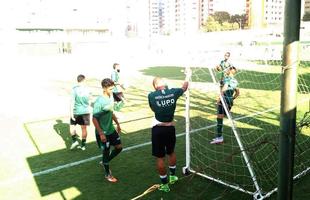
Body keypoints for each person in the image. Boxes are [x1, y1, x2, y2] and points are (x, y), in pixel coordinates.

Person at [148, 76, 189, 192]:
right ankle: (172, 176)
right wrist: (187, 77)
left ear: (155, 86)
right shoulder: (173, 92)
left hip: (158, 129)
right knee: (171, 152)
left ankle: (165, 184)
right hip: (170, 127)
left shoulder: (151, 95)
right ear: (164, 83)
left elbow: (153, 108)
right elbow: (184, 87)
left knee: (160, 157)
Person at [92, 78, 122, 183]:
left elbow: (111, 112)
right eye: (110, 88)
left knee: (119, 148)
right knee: (106, 152)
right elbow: (94, 118)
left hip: (111, 130)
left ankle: (105, 161)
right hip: (103, 133)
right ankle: (107, 174)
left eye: (112, 88)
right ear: (104, 88)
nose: (112, 90)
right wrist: (101, 133)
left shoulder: (110, 97)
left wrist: (117, 124)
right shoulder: (99, 102)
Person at [211, 66, 239, 144]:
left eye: (227, 70)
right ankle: (219, 137)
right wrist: (231, 99)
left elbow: (224, 88)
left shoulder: (227, 79)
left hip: (224, 100)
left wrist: (219, 99)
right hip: (230, 101)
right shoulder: (235, 81)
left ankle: (219, 138)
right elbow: (237, 93)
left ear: (230, 71)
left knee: (219, 119)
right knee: (222, 117)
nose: (226, 70)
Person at [70, 74, 91, 151]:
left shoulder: (74, 89)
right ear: (84, 80)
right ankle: (83, 145)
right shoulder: (88, 89)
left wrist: (71, 113)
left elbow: (72, 102)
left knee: (72, 127)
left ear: (77, 80)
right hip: (85, 112)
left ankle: (74, 141)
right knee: (84, 129)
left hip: (76, 111)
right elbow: (89, 101)